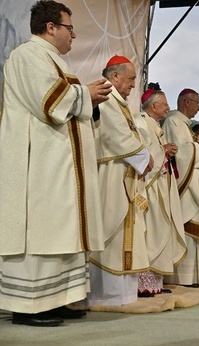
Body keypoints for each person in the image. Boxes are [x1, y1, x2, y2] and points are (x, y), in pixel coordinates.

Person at [0, 0, 112, 327]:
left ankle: (57, 298)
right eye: (69, 28)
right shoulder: (28, 56)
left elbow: (68, 105)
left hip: (59, 164)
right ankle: (29, 306)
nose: (73, 35)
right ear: (51, 28)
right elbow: (49, 102)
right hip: (38, 164)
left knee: (60, 232)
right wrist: (85, 94)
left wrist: (88, 102)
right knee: (42, 233)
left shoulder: (54, 61)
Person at [88, 55, 154, 306]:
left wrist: (143, 156)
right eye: (131, 79)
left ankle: (122, 294)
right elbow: (114, 134)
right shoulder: (104, 99)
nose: (133, 85)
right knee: (110, 231)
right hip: (110, 175)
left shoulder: (119, 102)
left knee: (123, 234)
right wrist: (144, 156)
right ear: (114, 76)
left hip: (123, 173)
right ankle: (105, 295)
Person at [162, 88, 199, 287]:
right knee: (188, 230)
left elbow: (190, 153)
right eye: (197, 103)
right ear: (186, 102)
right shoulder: (173, 122)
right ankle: (184, 277)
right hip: (186, 188)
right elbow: (180, 154)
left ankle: (197, 276)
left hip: (195, 185)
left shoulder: (184, 125)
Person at [133, 88, 187, 296]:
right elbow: (141, 151)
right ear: (153, 106)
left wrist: (166, 151)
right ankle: (142, 283)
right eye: (164, 104)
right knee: (151, 233)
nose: (168, 107)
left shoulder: (155, 125)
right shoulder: (141, 123)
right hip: (150, 187)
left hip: (161, 186)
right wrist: (163, 151)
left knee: (161, 231)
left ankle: (154, 282)